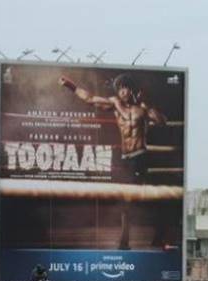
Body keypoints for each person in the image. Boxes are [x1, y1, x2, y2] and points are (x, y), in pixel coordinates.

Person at [59, 73, 167, 249]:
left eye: (126, 87)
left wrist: (146, 103)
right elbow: (90, 99)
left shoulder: (142, 108)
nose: (123, 91)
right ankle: (126, 241)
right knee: (127, 202)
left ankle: (149, 238)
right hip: (125, 160)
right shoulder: (115, 104)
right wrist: (71, 86)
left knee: (139, 199)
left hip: (140, 157)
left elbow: (162, 121)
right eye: (121, 88)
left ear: (132, 90)